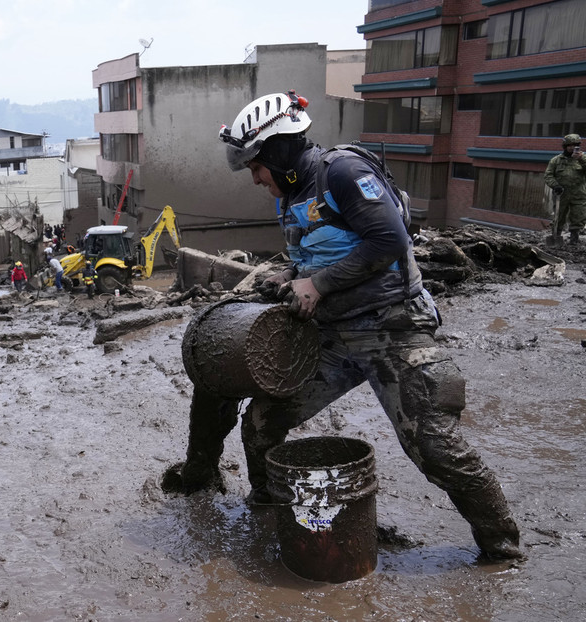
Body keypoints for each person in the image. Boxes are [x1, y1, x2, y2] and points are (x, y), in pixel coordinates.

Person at [180, 90, 522, 562]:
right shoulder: (294, 191)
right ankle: (271, 510)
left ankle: (503, 549)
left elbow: (388, 239)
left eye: (256, 166)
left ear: (278, 151)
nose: (256, 178)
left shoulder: (343, 172)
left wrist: (316, 284)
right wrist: (292, 276)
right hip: (333, 334)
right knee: (262, 420)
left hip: (391, 326)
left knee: (434, 445)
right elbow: (321, 251)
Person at [544, 133, 586, 246]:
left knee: (578, 217)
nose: (572, 148)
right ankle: (556, 236)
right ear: (565, 146)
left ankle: (574, 239)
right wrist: (555, 185)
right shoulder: (556, 160)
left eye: (575, 145)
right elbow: (548, 175)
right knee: (559, 216)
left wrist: (581, 159)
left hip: (578, 194)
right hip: (561, 195)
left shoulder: (583, 158)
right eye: (570, 145)